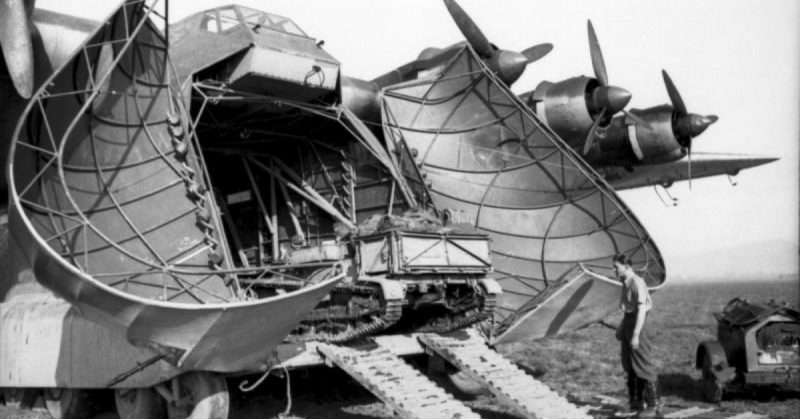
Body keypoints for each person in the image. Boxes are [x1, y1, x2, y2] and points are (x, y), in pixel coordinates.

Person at [613, 254, 662, 417]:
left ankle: (654, 407)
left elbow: (641, 310)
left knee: (643, 366)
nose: (614, 269)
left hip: (639, 325)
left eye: (616, 266)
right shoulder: (625, 283)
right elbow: (628, 310)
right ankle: (636, 403)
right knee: (629, 365)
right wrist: (622, 328)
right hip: (629, 323)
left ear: (627, 266)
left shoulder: (637, 282)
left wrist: (635, 335)